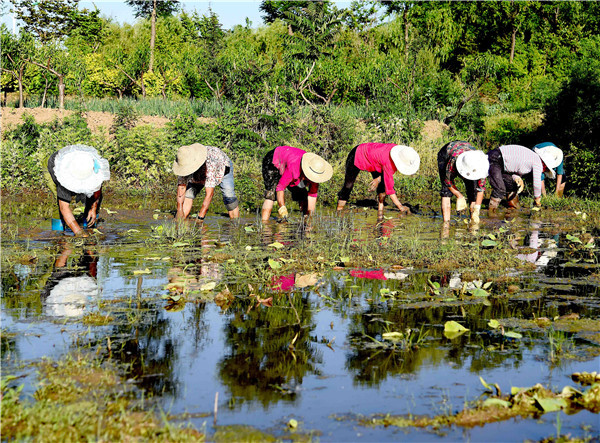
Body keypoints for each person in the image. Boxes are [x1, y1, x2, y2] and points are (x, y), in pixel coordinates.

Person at [336, 143, 420, 216]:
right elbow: (390, 190)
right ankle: (339, 210)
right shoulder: (389, 163)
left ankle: (380, 212)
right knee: (348, 186)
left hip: (375, 160)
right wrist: (400, 207)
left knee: (382, 186)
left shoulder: (398, 153)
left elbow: (385, 175)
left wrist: (378, 180)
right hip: (357, 154)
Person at [44, 144, 110, 237]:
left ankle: (89, 224)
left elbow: (97, 187)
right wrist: (79, 232)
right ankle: (59, 233)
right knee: (58, 203)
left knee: (92, 194)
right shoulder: (63, 177)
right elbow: (64, 208)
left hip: (80, 166)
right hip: (53, 166)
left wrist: (93, 207)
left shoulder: (91, 166)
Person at [261, 146, 333, 221]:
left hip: (292, 164)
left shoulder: (316, 174)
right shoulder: (293, 169)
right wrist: (282, 207)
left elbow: (312, 196)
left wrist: (310, 218)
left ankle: (304, 220)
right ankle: (264, 224)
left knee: (302, 195)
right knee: (271, 195)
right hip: (274, 160)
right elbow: (280, 187)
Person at [487, 144, 563, 213]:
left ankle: (513, 208)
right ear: (545, 165)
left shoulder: (532, 158)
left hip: (499, 161)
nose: (544, 171)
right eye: (546, 170)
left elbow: (514, 170)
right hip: (495, 159)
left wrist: (517, 179)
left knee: (512, 184)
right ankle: (491, 213)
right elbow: (536, 184)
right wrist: (537, 200)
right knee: (500, 189)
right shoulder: (537, 162)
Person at [173, 143, 240, 221]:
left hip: (223, 165)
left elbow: (209, 195)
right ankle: (181, 220)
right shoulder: (183, 161)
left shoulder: (210, 164)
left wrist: (200, 218)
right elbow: (181, 189)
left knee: (228, 195)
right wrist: (179, 211)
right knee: (188, 194)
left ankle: (235, 223)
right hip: (201, 170)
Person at [437, 141, 489, 224]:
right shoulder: (453, 161)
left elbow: (481, 189)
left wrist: (477, 208)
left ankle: (473, 223)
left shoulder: (481, 166)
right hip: (447, 154)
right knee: (446, 191)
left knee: (473, 191)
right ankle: (446, 225)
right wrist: (459, 196)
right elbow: (448, 181)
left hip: (470, 159)